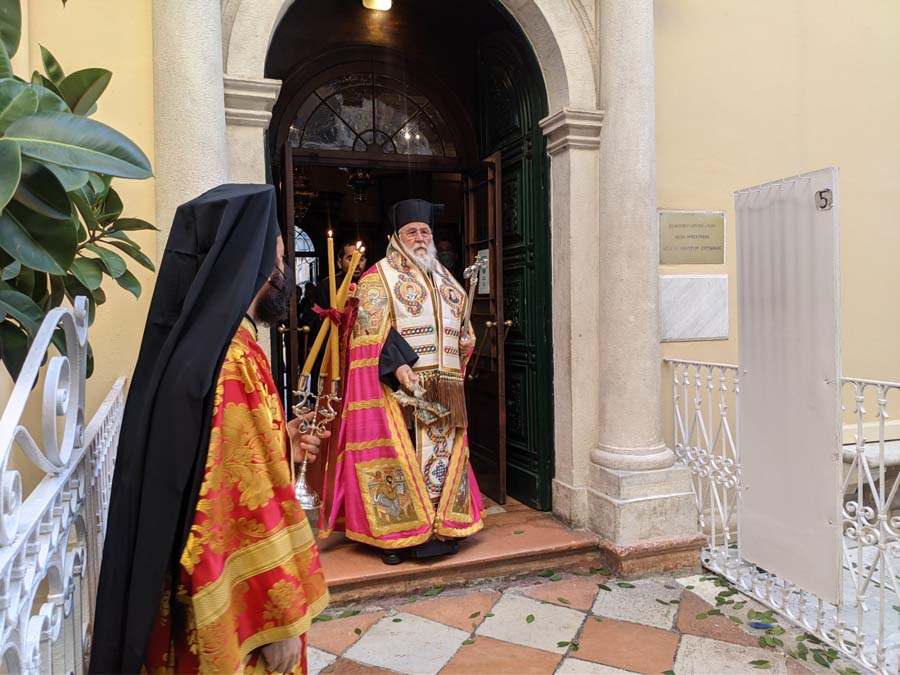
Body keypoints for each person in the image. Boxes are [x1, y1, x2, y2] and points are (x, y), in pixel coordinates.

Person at [90, 185, 329, 674]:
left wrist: (280, 440)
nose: (284, 271)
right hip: (238, 621)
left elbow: (202, 460)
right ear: (255, 264)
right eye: (279, 257)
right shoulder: (235, 360)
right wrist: (277, 617)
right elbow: (235, 503)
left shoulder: (198, 349)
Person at [317, 198, 484, 565]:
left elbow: (460, 323)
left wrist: (465, 341)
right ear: (396, 237)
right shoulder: (377, 278)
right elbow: (367, 336)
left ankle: (441, 528)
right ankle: (397, 536)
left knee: (441, 460)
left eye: (425, 231)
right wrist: (397, 367)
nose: (420, 238)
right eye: (412, 232)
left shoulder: (446, 278)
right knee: (404, 457)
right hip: (401, 392)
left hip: (445, 389)